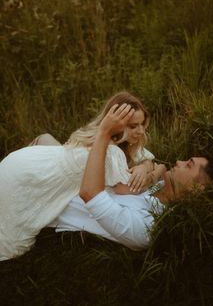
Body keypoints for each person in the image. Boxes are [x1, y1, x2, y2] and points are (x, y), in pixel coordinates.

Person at [0, 93, 156, 261]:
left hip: (29, 160)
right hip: (25, 176)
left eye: (142, 124)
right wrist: (158, 172)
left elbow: (145, 156)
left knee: (45, 140)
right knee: (15, 247)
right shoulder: (112, 152)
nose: (140, 131)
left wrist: (144, 165)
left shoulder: (99, 136)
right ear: (117, 125)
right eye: (133, 126)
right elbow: (128, 188)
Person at [50, 103, 213, 252]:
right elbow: (155, 164)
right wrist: (147, 167)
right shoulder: (159, 187)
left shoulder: (146, 227)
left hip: (53, 197)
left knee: (42, 144)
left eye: (189, 165)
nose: (179, 161)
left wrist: (104, 133)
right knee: (44, 139)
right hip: (68, 178)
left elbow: (89, 194)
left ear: (196, 190)